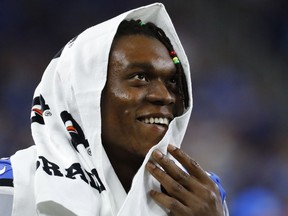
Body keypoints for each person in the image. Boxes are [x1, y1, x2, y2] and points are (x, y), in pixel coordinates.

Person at [0, 3, 229, 216]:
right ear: (81, 94)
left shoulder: (202, 195)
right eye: (139, 77)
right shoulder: (13, 187)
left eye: (171, 81)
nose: (165, 96)